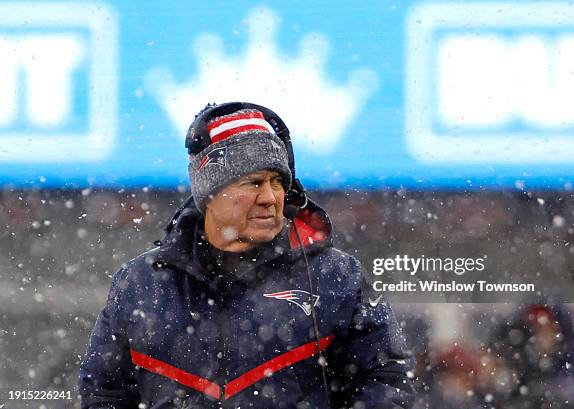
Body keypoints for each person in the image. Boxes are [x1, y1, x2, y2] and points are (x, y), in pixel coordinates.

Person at [79, 102, 415, 408]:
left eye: (278, 182)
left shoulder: (337, 276)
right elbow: (103, 392)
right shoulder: (140, 283)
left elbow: (387, 381)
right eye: (253, 183)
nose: (270, 197)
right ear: (211, 193)